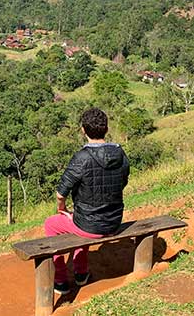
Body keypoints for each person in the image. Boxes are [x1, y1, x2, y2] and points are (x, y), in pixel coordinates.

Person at [44, 107, 130, 294]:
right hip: (114, 220)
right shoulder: (120, 153)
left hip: (89, 224)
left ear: (83, 130)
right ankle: (81, 274)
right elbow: (123, 182)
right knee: (81, 220)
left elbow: (60, 193)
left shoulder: (82, 157)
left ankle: (60, 280)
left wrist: (62, 209)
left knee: (52, 224)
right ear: (106, 129)